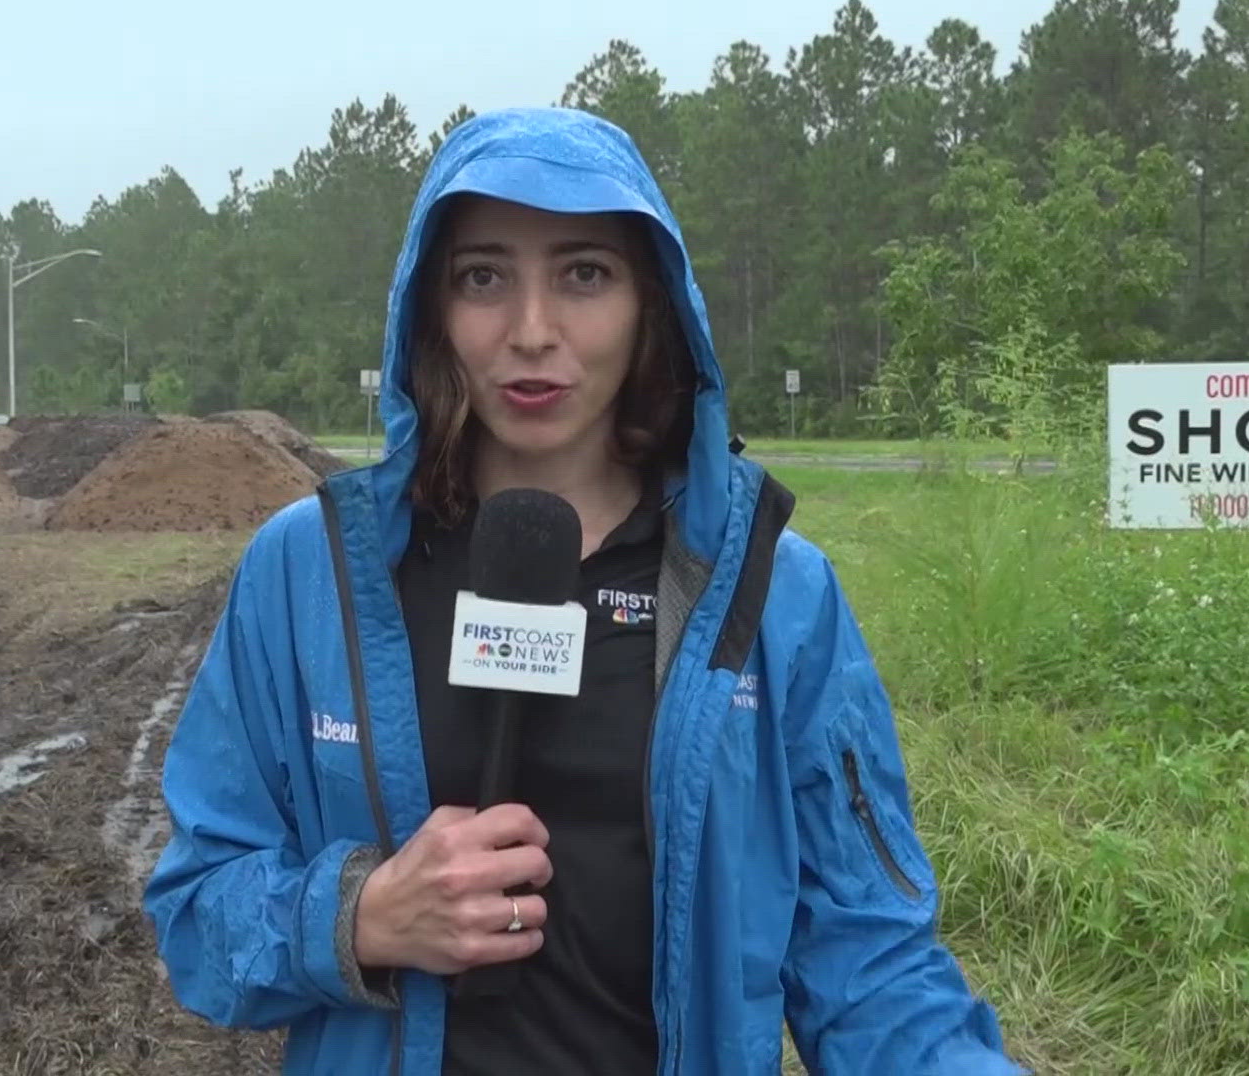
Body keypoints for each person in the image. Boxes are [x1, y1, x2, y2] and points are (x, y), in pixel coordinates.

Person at [143, 107, 1025, 1075]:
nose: (532, 332)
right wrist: (360, 914)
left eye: (584, 275)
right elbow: (196, 913)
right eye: (484, 277)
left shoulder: (774, 598)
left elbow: (874, 973)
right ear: (431, 307)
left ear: (654, 302)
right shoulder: (308, 575)